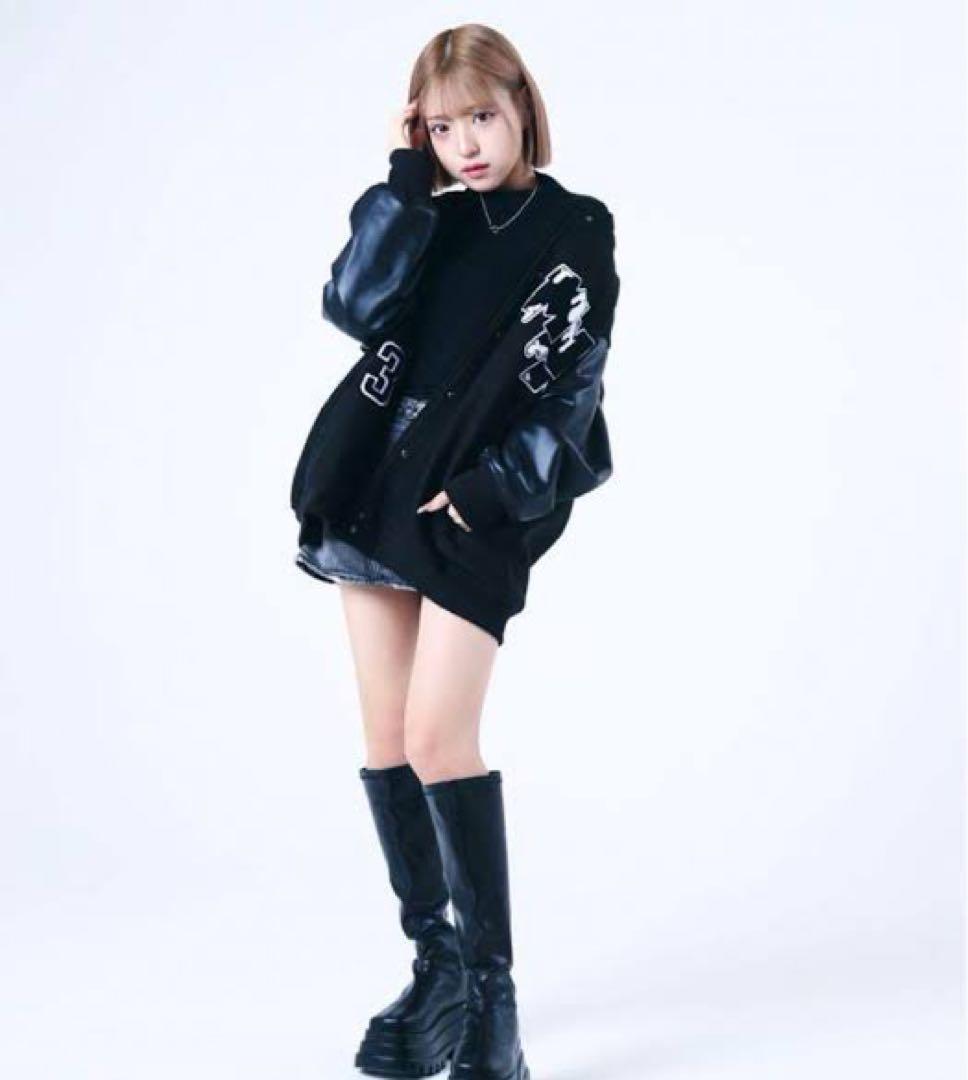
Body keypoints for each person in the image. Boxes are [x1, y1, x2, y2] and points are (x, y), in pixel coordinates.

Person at [290, 23, 620, 1080]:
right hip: (375, 489)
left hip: (475, 503)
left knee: (440, 739)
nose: (465, 144)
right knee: (389, 738)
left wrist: (486, 492)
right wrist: (403, 180)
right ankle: (434, 970)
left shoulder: (573, 224)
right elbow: (352, 307)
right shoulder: (421, 215)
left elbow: (573, 379)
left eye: (480, 116)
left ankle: (492, 1002)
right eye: (441, 126)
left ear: (521, 106)